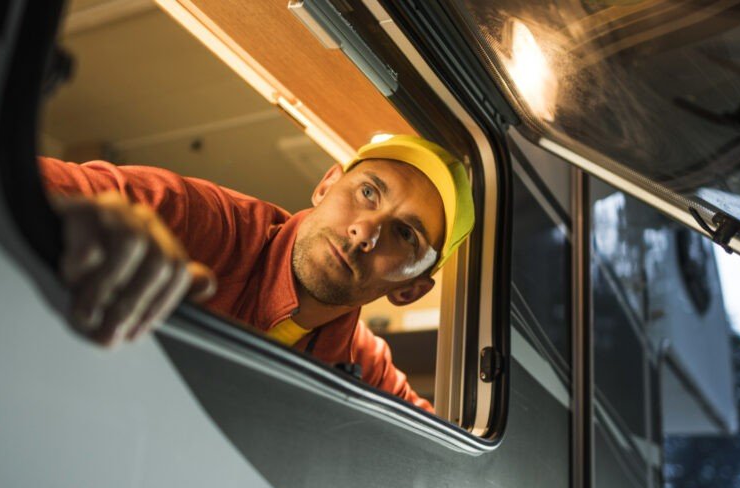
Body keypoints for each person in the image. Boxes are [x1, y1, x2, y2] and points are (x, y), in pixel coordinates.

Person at [40, 135, 474, 413]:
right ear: (325, 186)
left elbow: (439, 457)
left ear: (410, 291)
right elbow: (9, 173)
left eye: (404, 234)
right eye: (367, 192)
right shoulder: (194, 219)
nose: (365, 231)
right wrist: (74, 224)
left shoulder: (363, 363)